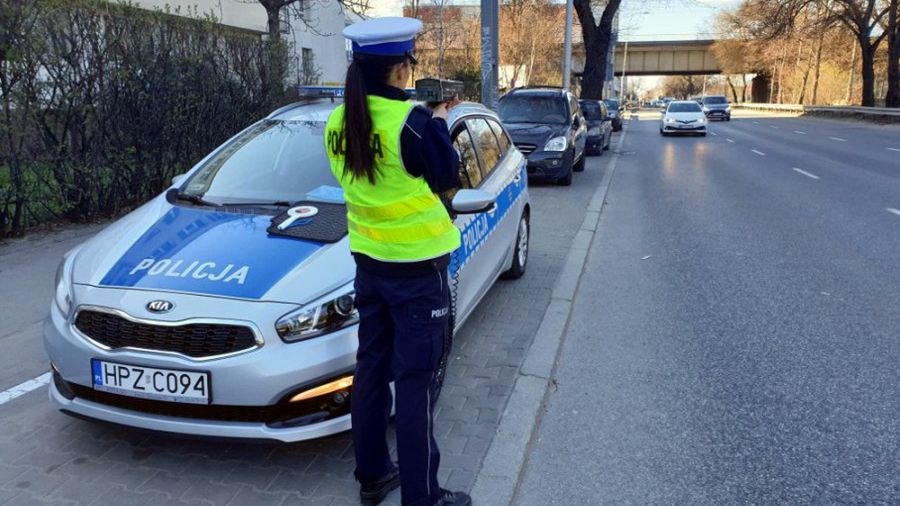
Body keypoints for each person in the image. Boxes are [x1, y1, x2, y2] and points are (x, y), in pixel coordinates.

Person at [324, 16, 471, 506]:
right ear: (401, 68)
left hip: (369, 267)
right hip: (418, 275)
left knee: (370, 370)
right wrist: (440, 122)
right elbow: (448, 177)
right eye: (411, 61)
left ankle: (372, 476)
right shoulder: (415, 124)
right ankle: (422, 497)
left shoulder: (337, 121)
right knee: (415, 385)